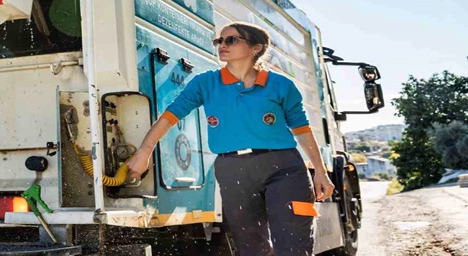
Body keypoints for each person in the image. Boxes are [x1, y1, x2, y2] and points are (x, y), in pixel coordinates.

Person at [125, 22, 335, 256]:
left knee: (293, 244)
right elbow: (169, 117)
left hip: (283, 168)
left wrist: (320, 171)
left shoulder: (281, 85)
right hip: (232, 170)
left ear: (256, 48)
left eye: (232, 40)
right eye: (219, 41)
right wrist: (145, 151)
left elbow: (302, 130)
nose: (222, 45)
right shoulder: (206, 83)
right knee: (250, 247)